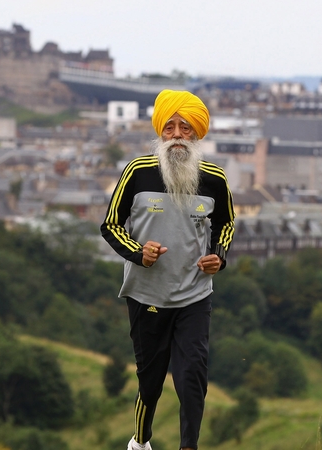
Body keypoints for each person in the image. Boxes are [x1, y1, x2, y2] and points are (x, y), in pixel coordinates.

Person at [100, 89, 235, 450]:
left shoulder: (215, 180)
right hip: (147, 295)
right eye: (170, 127)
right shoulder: (138, 172)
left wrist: (218, 257)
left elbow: (225, 226)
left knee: (192, 375)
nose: (177, 135)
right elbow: (111, 225)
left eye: (186, 128)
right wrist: (138, 252)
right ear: (160, 132)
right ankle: (141, 441)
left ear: (197, 133)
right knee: (151, 381)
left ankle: (187, 446)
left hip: (194, 294)